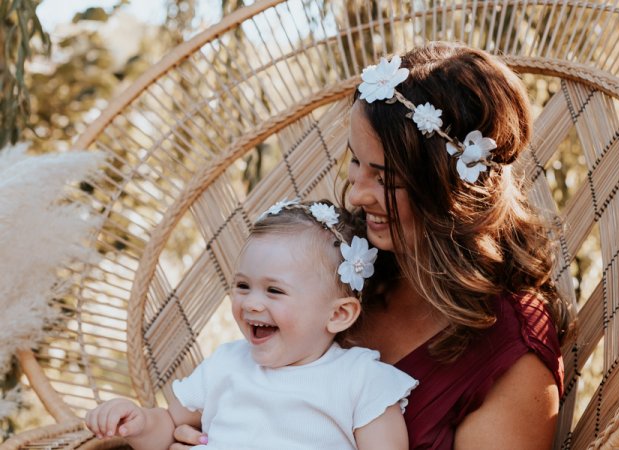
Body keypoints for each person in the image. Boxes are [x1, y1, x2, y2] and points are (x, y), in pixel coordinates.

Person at [173, 41, 567, 450]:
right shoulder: (345, 264)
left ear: (450, 190)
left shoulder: (512, 354)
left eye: (385, 179)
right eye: (356, 163)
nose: (357, 195)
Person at [85, 200, 418, 450]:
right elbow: (169, 422)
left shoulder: (362, 381)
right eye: (243, 286)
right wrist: (140, 423)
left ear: (338, 314)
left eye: (274, 290)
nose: (252, 303)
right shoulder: (227, 364)